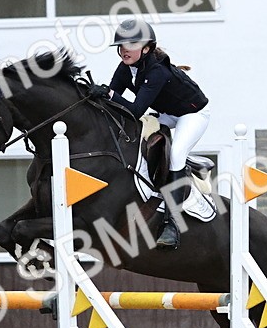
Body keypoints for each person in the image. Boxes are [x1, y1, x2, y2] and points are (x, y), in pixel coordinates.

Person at [89, 18, 210, 249]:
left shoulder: (157, 72)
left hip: (193, 115)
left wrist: (109, 95)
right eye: (122, 46)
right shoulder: (125, 68)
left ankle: (171, 224)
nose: (125, 51)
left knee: (175, 154)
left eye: (131, 46)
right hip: (166, 113)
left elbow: (134, 109)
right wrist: (95, 95)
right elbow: (114, 98)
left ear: (146, 49)